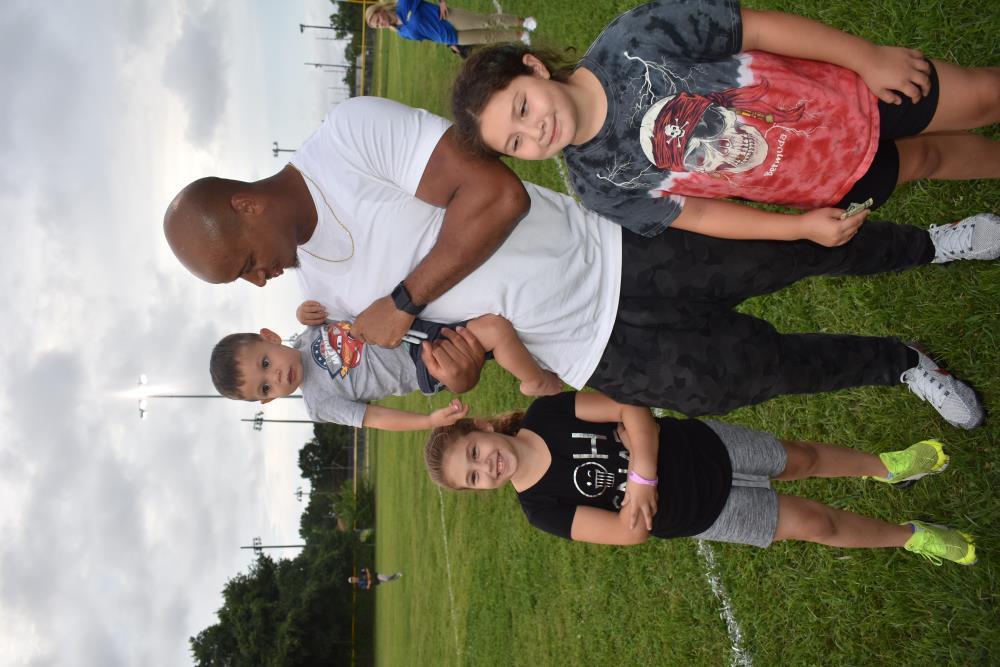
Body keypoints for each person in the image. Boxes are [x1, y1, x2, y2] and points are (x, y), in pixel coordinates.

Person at [165, 96, 986, 426]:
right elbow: (452, 350)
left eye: (244, 262)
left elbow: (497, 196)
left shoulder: (346, 140)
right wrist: (458, 368)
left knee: (792, 254)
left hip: (621, 250)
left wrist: (405, 297)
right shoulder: (326, 297)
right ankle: (900, 362)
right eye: (245, 281)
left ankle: (936, 244)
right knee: (756, 373)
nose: (259, 279)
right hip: (592, 351)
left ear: (245, 205)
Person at [451, 0, 1000, 245]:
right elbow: (700, 213)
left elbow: (754, 29)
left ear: (534, 67)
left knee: (982, 97)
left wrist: (867, 57)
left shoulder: (634, 38)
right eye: (515, 142)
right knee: (928, 160)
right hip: (824, 181)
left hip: (851, 94)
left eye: (522, 108)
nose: (535, 132)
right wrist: (799, 228)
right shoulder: (598, 185)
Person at [424, 391, 976, 566]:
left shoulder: (548, 413)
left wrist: (641, 477)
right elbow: (628, 534)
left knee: (801, 458)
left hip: (704, 447)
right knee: (815, 525)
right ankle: (911, 536)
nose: (486, 467)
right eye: (473, 478)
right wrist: (638, 471)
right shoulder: (540, 509)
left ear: (481, 428)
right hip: (701, 512)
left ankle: (886, 467)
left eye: (474, 452)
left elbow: (631, 407)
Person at [209, 302, 561, 430]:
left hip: (414, 325)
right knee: (494, 330)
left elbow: (340, 300)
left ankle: (547, 347)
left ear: (270, 337)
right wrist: (428, 421)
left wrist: (304, 312)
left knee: (497, 325)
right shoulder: (318, 403)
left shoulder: (310, 329)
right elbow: (374, 418)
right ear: (269, 399)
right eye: (266, 386)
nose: (275, 376)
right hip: (423, 363)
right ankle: (536, 382)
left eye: (265, 362)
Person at [365, 1, 535, 49]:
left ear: (380, 10)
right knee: (487, 37)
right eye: (378, 26)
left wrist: (442, 2)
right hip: (451, 37)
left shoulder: (403, 4)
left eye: (378, 20)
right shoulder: (402, 33)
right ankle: (521, 35)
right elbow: (428, 36)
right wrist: (448, 44)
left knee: (486, 21)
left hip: (448, 18)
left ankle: (524, 21)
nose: (381, 24)